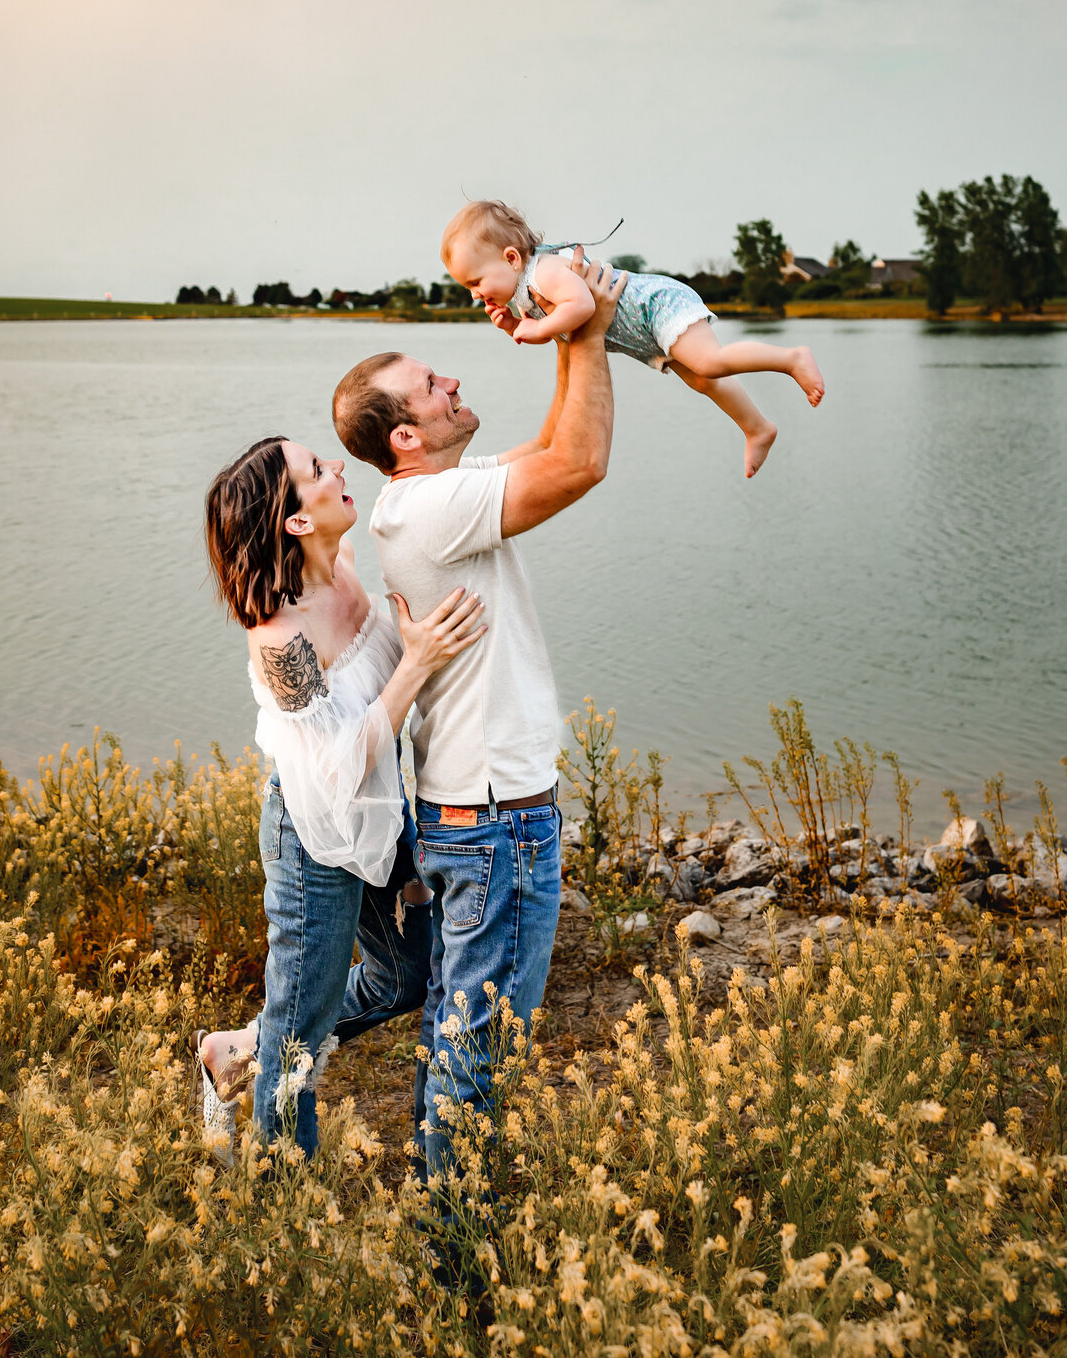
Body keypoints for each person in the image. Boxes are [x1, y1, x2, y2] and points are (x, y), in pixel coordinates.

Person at [331, 251, 625, 1182]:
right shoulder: (435, 509)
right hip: (498, 821)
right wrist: (591, 328)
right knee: (480, 1043)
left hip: (473, 812)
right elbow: (582, 463)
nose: (452, 381)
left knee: (457, 1023)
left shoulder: (426, 498)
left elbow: (549, 445)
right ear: (406, 436)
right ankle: (452, 1238)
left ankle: (439, 1207)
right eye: (431, 386)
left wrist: (569, 323)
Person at [198, 434, 487, 1160]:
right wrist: (418, 661)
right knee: (298, 1033)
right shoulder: (279, 636)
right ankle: (283, 1194)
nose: (338, 468)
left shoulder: (351, 562)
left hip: (378, 815)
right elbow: (336, 767)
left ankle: (238, 1049)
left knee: (406, 976)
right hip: (311, 836)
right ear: (297, 519)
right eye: (317, 470)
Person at [441, 198, 826, 479]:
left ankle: (791, 358)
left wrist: (538, 327)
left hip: (656, 307)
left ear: (511, 258)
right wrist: (515, 326)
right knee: (702, 379)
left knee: (710, 362)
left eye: (476, 281)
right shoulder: (523, 295)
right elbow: (559, 331)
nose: (474, 294)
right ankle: (757, 427)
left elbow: (582, 306)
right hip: (645, 333)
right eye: (467, 287)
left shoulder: (546, 272)